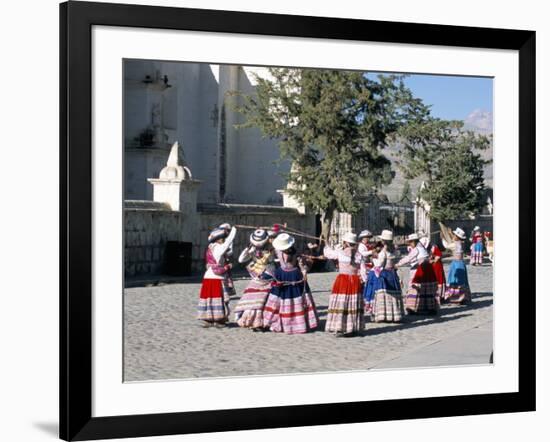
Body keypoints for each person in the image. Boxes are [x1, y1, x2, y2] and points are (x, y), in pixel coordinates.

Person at [263, 233, 318, 334]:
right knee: (278, 298)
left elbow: (302, 264)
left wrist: (304, 271)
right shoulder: (277, 251)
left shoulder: (295, 253)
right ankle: (276, 321)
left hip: (294, 275)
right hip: (282, 274)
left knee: (295, 297)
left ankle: (295, 323)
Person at [323, 232, 365, 336]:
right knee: (352, 303)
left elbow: (328, 254)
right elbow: (363, 270)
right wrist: (364, 280)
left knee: (342, 302)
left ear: (346, 242)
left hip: (343, 280)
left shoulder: (340, 253)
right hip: (354, 280)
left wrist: (326, 243)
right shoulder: (359, 255)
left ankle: (340, 326)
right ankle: (352, 327)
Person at [233, 229, 276, 330]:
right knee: (258, 297)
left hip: (267, 276)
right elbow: (241, 259)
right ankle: (255, 320)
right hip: (259, 276)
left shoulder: (271, 250)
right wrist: (247, 250)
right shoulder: (254, 250)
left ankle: (261, 321)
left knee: (262, 298)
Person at [197, 226, 237, 327]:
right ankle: (218, 320)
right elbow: (229, 242)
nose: (223, 239)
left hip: (208, 276)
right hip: (217, 278)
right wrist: (234, 230)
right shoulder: (219, 248)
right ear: (218, 239)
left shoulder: (210, 247)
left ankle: (208, 318)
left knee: (209, 297)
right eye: (222, 237)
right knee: (219, 298)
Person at [395, 233, 439, 315]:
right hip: (428, 269)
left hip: (421, 269)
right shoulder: (422, 248)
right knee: (426, 288)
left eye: (410, 242)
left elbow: (408, 258)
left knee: (414, 286)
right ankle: (429, 307)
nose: (410, 244)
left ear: (414, 242)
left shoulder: (416, 249)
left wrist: (398, 264)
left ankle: (412, 307)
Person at [364, 253, 404, 323]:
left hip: (386, 274)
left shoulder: (387, 252)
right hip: (384, 274)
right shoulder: (384, 253)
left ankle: (386, 315)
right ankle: (386, 315)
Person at [444, 227, 472, 304]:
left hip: (456, 264)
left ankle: (455, 298)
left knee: (455, 280)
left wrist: (443, 237)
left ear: (457, 237)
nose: (453, 236)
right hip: (461, 263)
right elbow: (453, 240)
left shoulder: (454, 244)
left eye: (455, 235)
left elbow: (446, 245)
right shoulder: (461, 243)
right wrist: (450, 233)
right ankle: (463, 297)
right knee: (462, 281)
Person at [420, 235, 446, 305]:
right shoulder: (427, 249)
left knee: (438, 278)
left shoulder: (434, 247)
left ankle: (440, 296)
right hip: (431, 266)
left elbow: (439, 255)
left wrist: (433, 260)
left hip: (437, 266)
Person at [357, 230, 374, 312]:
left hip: (369, 265)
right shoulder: (361, 246)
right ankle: (364, 300)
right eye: (366, 238)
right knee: (365, 281)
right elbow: (363, 254)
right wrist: (372, 252)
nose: (368, 239)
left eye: (368, 238)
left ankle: (368, 300)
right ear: (362, 238)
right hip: (363, 265)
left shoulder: (368, 245)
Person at [218, 222, 236, 300]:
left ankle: (225, 292)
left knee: (225, 277)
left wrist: (225, 253)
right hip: (218, 261)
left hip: (225, 261)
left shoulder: (229, 240)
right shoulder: (217, 239)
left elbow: (231, 251)